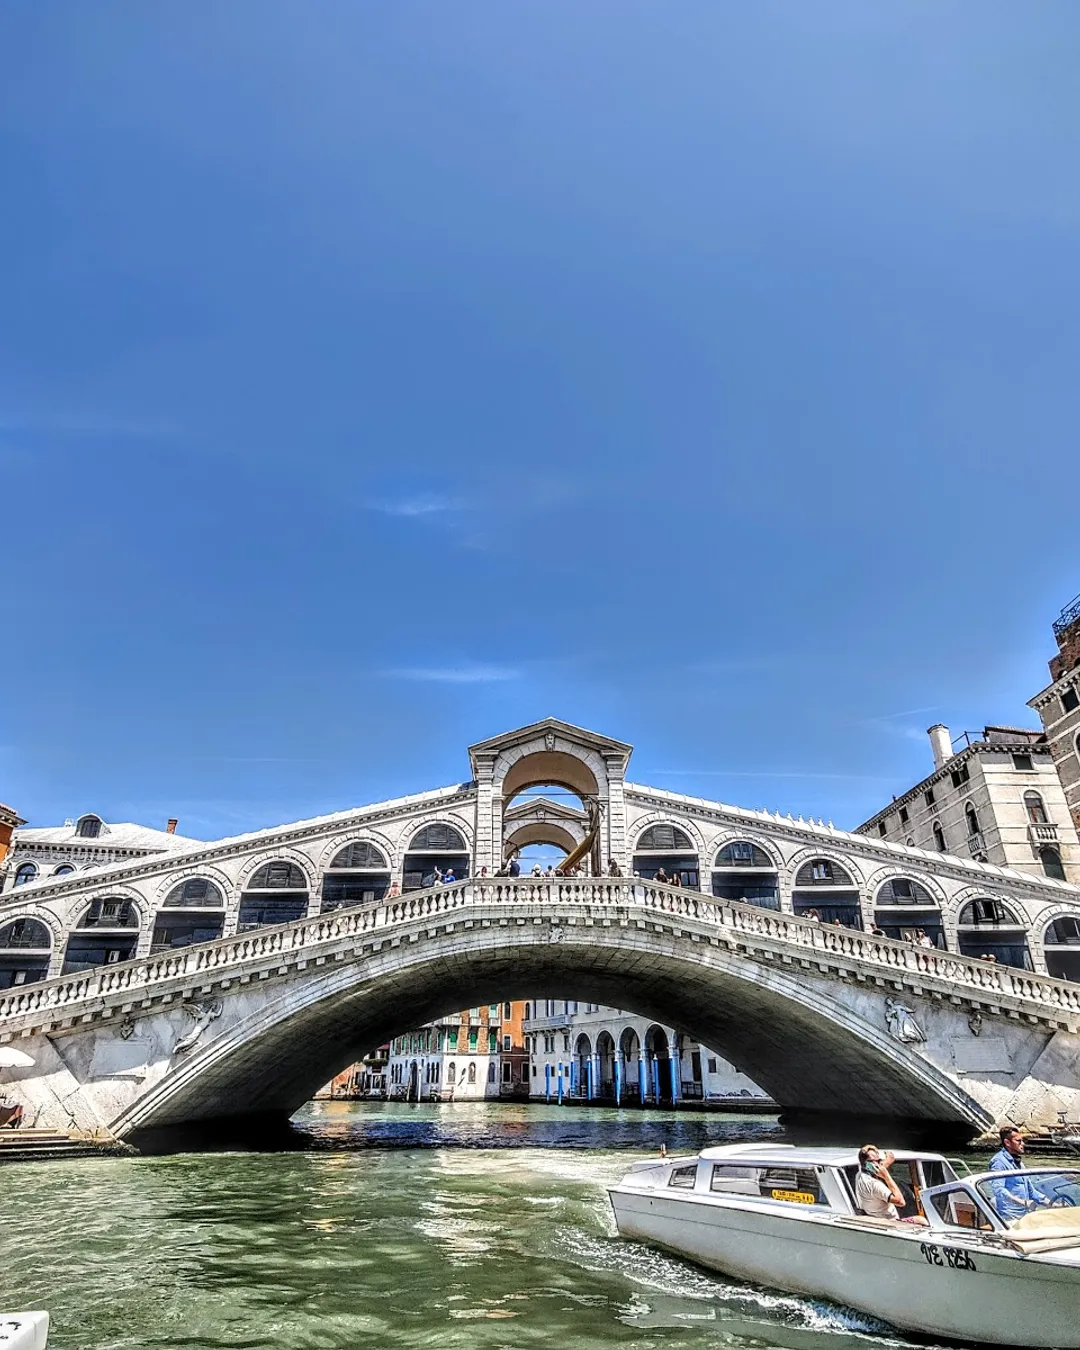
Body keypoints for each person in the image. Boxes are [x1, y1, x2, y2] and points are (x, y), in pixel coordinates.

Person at [855, 1145, 915, 1221]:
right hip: (890, 1222)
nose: (880, 1164)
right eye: (877, 1161)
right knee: (921, 1220)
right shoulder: (875, 1184)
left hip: (874, 1218)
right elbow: (901, 1202)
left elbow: (872, 1165)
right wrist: (887, 1176)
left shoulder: (859, 1175)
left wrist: (872, 1148)